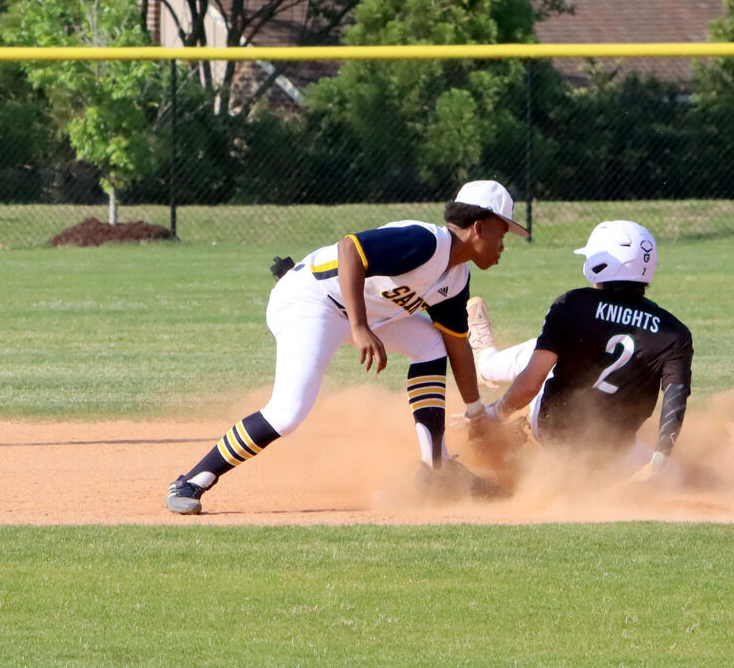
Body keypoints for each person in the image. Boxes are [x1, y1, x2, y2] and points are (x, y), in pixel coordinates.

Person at [166, 180, 530, 514]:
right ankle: (193, 479)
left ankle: (436, 468)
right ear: (479, 227)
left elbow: (457, 345)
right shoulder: (427, 242)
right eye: (502, 232)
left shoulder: (456, 276)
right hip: (310, 301)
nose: (503, 245)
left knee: (432, 344)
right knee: (288, 412)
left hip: (363, 313)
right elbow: (350, 249)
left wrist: (476, 412)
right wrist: (358, 326)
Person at [465, 220, 693, 483]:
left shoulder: (573, 304)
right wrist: (660, 462)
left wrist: (495, 414)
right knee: (673, 478)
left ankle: (485, 361)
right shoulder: (674, 332)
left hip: (551, 428)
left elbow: (531, 383)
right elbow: (675, 406)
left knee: (536, 352)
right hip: (612, 453)